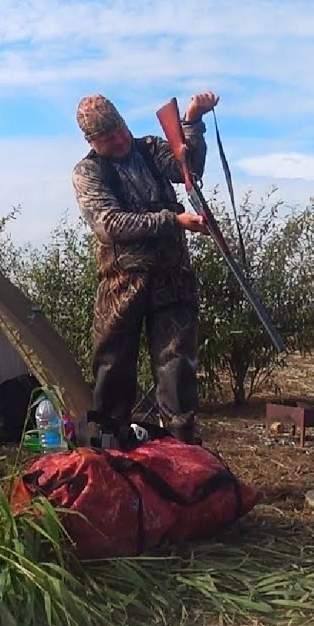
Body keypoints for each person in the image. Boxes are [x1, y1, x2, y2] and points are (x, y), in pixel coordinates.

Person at [71, 91, 219, 444]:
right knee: (112, 368)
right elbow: (111, 225)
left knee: (177, 368)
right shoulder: (87, 172)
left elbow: (188, 169)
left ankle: (184, 455)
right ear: (92, 141)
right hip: (122, 285)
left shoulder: (150, 149)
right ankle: (110, 451)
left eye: (120, 129)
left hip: (173, 281)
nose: (120, 139)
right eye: (108, 138)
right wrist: (174, 221)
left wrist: (193, 122)